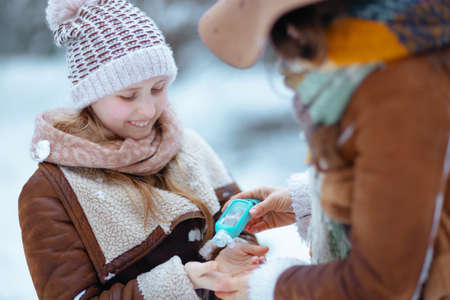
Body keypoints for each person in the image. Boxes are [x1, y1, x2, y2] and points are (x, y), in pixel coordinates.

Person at [198, 0, 450, 299]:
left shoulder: (396, 92)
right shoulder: (398, 62)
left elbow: (380, 284)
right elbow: (414, 184)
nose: (287, 60)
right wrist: (309, 201)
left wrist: (268, 287)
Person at [18, 0, 268, 299]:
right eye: (128, 95)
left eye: (158, 88)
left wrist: (231, 254)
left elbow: (240, 221)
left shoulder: (191, 148)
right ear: (90, 95)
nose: (148, 110)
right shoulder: (52, 190)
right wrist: (181, 282)